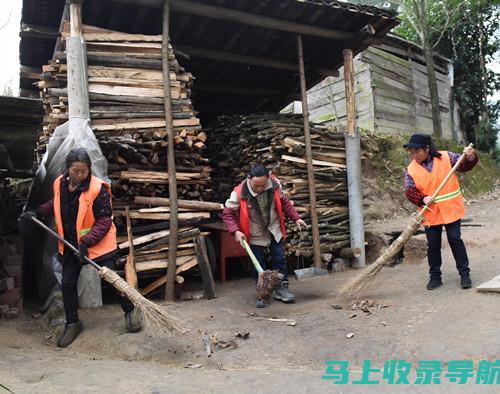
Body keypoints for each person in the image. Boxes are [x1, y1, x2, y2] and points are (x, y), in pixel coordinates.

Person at [19, 148, 141, 347]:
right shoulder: (60, 183)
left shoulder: (97, 189)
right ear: (68, 169)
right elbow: (55, 203)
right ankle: (72, 323)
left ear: (89, 169)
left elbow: (103, 221)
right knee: (67, 284)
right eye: (75, 170)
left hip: (99, 244)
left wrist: (86, 243)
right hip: (71, 245)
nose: (79, 175)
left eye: (83, 171)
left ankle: (131, 310)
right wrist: (38, 211)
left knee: (111, 279)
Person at [222, 164, 307, 308]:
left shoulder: (274, 184)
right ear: (249, 179)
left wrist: (296, 217)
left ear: (268, 178)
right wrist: (235, 231)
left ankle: (282, 288)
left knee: (279, 258)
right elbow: (228, 214)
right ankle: (263, 293)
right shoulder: (238, 193)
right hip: (254, 230)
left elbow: (284, 202)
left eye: (263, 185)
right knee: (258, 264)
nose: (260, 188)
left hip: (273, 227)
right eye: (256, 186)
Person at [403, 134, 478, 291]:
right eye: (412, 152)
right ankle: (435, 277)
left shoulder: (446, 157)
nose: (414, 155)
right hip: (430, 212)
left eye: (417, 151)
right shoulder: (411, 169)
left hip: (451, 208)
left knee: (454, 239)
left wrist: (470, 157)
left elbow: (463, 165)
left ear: (427, 149)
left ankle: (465, 274)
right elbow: (410, 191)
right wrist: (422, 198)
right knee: (433, 245)